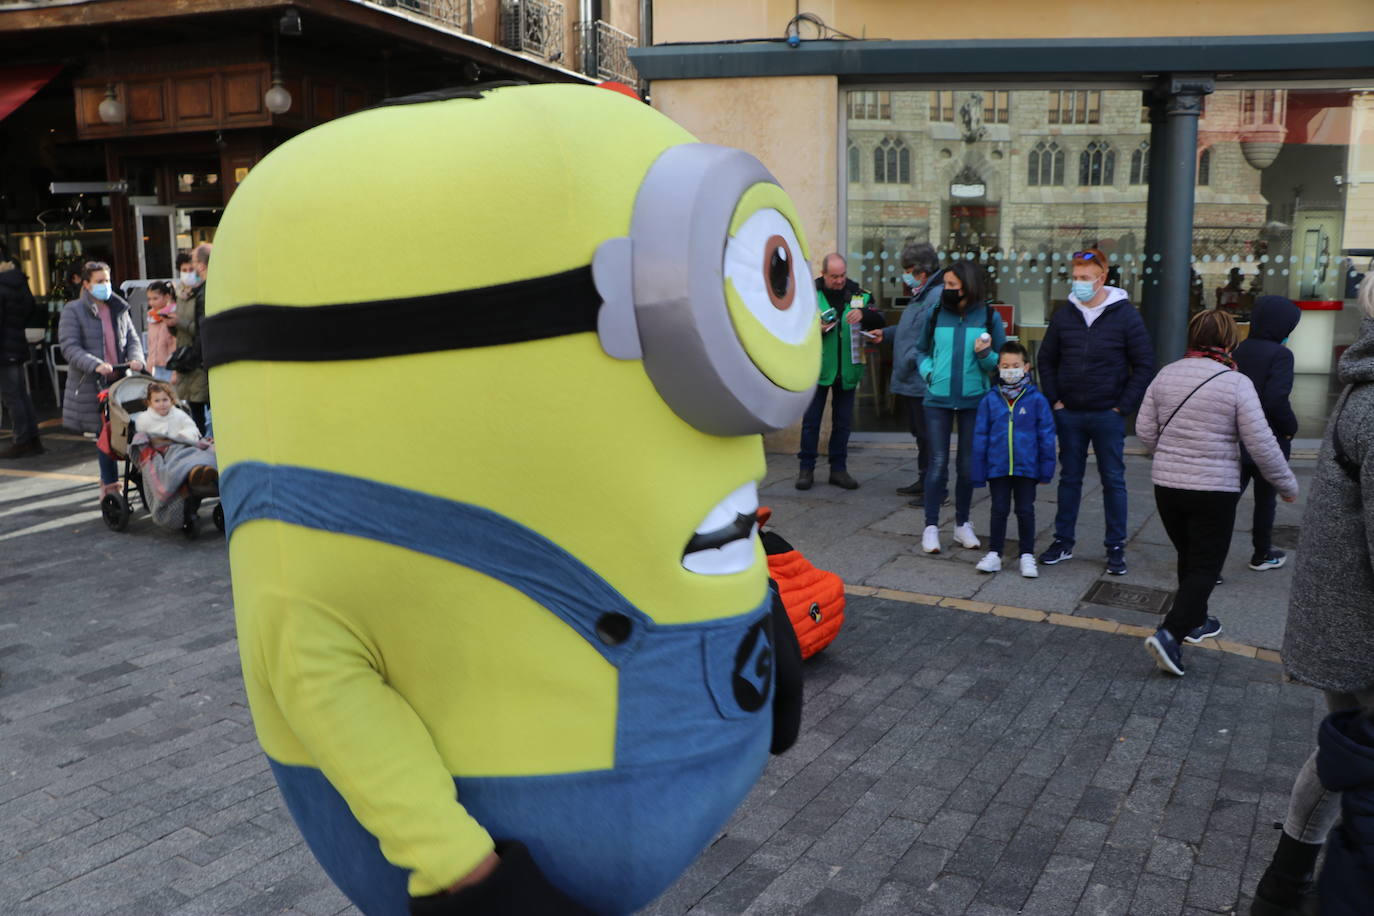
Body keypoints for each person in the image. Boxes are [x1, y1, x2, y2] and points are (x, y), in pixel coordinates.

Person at [1249, 274, 1374, 916]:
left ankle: (1286, 880)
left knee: (1344, 755)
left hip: (1338, 627)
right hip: (1361, 634)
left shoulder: (1358, 383)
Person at [1135, 309, 1297, 677]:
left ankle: (1196, 620)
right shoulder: (1236, 383)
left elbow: (1145, 432)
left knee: (1190, 557)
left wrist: (1175, 450)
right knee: (1205, 565)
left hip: (1168, 485)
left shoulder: (1166, 375)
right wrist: (1286, 484)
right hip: (1213, 488)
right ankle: (1171, 634)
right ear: (1229, 341)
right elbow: (1262, 443)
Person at [1037, 248, 1155, 576]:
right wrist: (1055, 400)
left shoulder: (1126, 314)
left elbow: (1145, 364)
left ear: (1102, 278)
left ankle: (1115, 547)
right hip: (1070, 413)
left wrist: (1121, 406)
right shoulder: (1065, 313)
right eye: (1074, 278)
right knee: (1069, 479)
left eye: (1084, 278)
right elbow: (1046, 359)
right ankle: (1063, 541)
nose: (1077, 284)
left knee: (1113, 480)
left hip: (1107, 414)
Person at [915, 259, 1005, 553]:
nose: (947, 290)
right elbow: (921, 350)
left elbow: (998, 365)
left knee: (966, 467)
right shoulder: (936, 312)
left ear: (969, 286)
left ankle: (962, 524)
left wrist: (985, 355)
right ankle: (930, 527)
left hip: (973, 401)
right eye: (946, 284)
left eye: (953, 285)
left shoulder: (989, 316)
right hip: (937, 400)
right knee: (937, 463)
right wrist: (929, 372)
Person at [796, 253, 885, 491]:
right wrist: (815, 329)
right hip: (818, 369)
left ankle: (839, 470)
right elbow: (792, 326)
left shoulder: (859, 295)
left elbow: (879, 318)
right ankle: (806, 469)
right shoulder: (808, 295)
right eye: (834, 276)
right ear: (823, 274)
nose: (839, 280)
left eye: (843, 275)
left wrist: (864, 315)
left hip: (848, 368)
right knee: (811, 423)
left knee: (842, 423)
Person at [58, 260, 145, 499]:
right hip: (93, 382)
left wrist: (136, 359)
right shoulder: (73, 310)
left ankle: (140, 475)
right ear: (86, 284)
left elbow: (132, 339)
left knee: (134, 429)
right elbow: (69, 347)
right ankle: (109, 485)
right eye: (99, 281)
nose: (105, 285)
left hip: (122, 381)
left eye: (107, 280)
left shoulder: (118, 307)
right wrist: (95, 365)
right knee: (104, 434)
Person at [969, 342, 1056, 578]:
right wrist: (977, 471)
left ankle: (1026, 555)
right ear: (998, 367)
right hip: (997, 466)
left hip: (1027, 467)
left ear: (1026, 367)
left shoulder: (1037, 400)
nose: (1010, 370)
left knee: (1025, 510)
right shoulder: (990, 400)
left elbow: (1046, 435)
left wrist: (1046, 468)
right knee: (998, 509)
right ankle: (994, 553)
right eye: (1005, 366)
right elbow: (980, 437)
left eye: (1015, 366)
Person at [1232, 294, 1301, 572]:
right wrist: (1290, 428)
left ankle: (1208, 562)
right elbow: (1276, 399)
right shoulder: (1281, 355)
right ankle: (1261, 553)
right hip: (1267, 439)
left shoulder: (1238, 349)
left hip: (1236, 439)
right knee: (1265, 501)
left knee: (1226, 503)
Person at [890, 242, 941, 505]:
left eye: (908, 270)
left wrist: (909, 360)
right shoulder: (922, 293)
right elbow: (908, 331)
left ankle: (936, 489)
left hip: (921, 379)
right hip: (912, 378)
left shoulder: (934, 296)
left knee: (929, 436)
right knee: (921, 434)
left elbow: (928, 338)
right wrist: (884, 335)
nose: (905, 276)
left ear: (921, 271)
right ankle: (925, 480)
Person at [0, 239, 44, 459]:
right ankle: (32, 438)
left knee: (12, 396)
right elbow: (29, 308)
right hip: (16, 342)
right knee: (20, 394)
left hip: (4, 347)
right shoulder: (17, 280)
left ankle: (22, 440)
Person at [167, 243, 211, 434]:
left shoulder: (204, 292)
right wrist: (173, 325)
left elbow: (202, 328)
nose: (189, 272)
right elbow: (184, 331)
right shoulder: (183, 294)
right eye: (184, 269)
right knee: (195, 413)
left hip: (198, 360)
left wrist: (181, 322)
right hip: (187, 360)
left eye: (192, 266)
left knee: (206, 415)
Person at [144, 280, 178, 382]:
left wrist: (176, 371)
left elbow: (176, 344)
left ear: (167, 297)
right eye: (149, 299)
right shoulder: (151, 317)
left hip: (170, 367)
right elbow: (151, 344)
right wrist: (149, 365)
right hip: (154, 367)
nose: (151, 302)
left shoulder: (172, 316)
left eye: (155, 298)